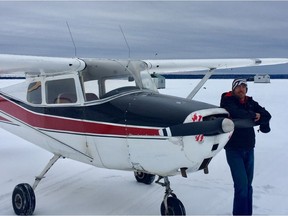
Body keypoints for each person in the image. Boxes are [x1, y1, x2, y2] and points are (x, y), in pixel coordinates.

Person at [220, 78, 271, 215]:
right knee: (241, 185)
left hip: (249, 147)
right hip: (233, 149)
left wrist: (263, 121)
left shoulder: (250, 102)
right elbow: (236, 113)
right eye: (238, 86)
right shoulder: (227, 101)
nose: (241, 89)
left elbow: (267, 115)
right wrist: (254, 115)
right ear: (233, 89)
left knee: (248, 185)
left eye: (244, 86)